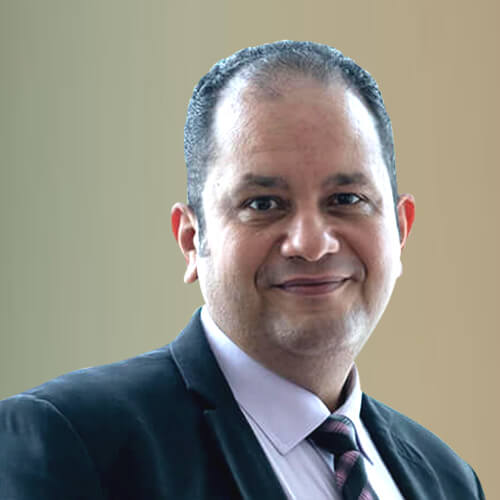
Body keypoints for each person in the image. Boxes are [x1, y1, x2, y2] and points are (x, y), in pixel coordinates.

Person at [0, 41, 484, 499]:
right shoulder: (73, 441)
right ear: (192, 240)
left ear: (400, 231)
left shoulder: (449, 479)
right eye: (263, 203)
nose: (311, 244)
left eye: (346, 199)